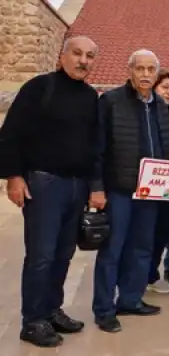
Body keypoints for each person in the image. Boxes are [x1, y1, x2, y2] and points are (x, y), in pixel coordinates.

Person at [0, 36, 104, 348]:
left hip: (77, 185)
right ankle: (32, 321)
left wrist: (95, 186)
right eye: (76, 53)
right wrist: (14, 177)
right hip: (44, 185)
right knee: (41, 256)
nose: (82, 60)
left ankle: (51, 310)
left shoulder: (90, 98)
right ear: (62, 56)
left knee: (63, 254)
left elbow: (94, 146)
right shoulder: (39, 88)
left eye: (89, 55)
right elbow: (11, 134)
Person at [93, 50, 169, 333]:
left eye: (151, 69)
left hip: (151, 191)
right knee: (112, 250)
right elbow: (97, 148)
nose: (146, 74)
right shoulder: (110, 101)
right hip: (120, 188)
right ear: (130, 71)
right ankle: (104, 309)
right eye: (140, 69)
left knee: (142, 248)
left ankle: (131, 299)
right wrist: (96, 187)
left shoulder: (161, 105)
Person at [147, 70, 169, 294]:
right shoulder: (147, 111)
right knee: (145, 233)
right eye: (165, 87)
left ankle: (151, 274)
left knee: (162, 232)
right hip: (149, 182)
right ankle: (139, 276)